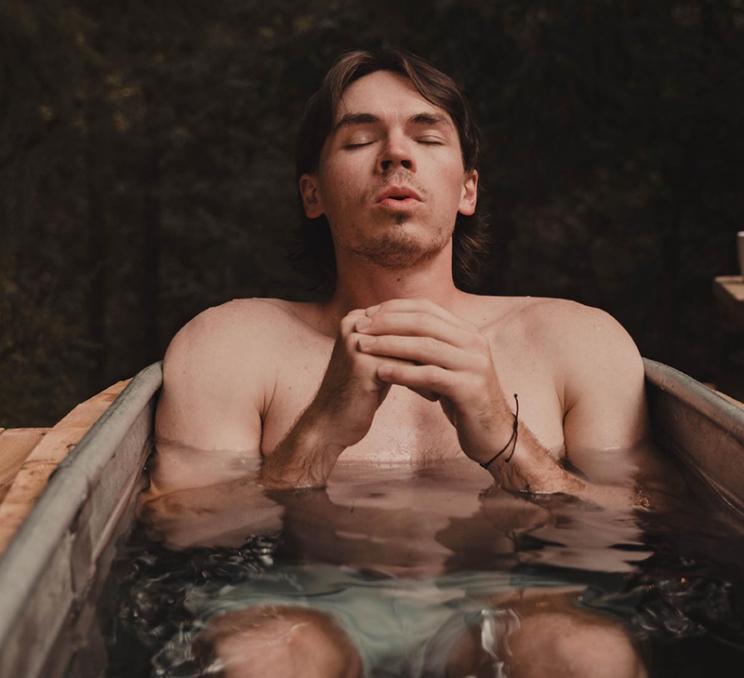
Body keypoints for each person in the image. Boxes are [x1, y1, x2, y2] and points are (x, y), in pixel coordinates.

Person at [143, 48, 672, 677]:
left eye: (426, 135)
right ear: (312, 193)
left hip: (509, 603)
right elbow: (181, 532)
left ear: (467, 188)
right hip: (301, 607)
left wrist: (508, 443)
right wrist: (318, 433)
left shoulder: (576, 341)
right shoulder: (232, 343)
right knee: (257, 660)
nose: (395, 154)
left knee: (589, 654)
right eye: (361, 138)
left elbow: (653, 520)